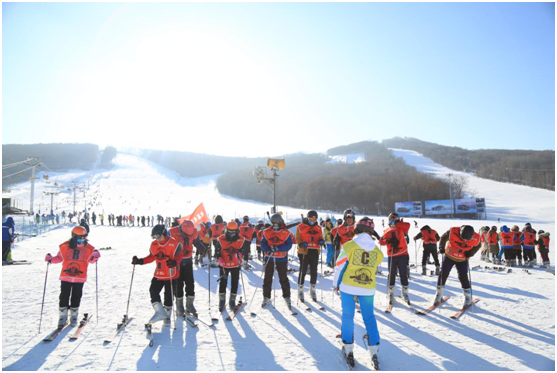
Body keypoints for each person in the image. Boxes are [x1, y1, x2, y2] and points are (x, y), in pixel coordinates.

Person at [333, 217, 383, 368]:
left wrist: (336, 284)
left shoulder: (349, 246)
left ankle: (348, 347)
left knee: (348, 316)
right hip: (368, 288)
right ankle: (374, 349)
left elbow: (340, 266)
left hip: (349, 286)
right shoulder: (377, 250)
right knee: (369, 317)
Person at [44, 226, 100, 327]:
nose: (81, 240)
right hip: (66, 277)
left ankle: (74, 316)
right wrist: (51, 259)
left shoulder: (88, 248)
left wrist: (95, 256)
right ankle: (62, 317)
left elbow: (91, 260)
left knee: (76, 297)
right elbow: (59, 258)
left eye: (84, 238)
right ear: (73, 237)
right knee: (64, 296)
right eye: (79, 238)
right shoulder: (65, 247)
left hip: (80, 277)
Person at [132, 225, 183, 324]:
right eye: (155, 237)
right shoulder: (154, 245)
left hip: (171, 275)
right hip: (159, 274)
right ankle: (160, 312)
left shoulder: (174, 243)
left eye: (159, 236)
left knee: (168, 296)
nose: (157, 239)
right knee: (153, 291)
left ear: (164, 233)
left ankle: (167, 317)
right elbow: (151, 257)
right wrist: (140, 261)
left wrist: (175, 262)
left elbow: (180, 256)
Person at [434, 225, 481, 307]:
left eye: (467, 239)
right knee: (443, 274)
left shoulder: (476, 237)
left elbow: (478, 245)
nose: (465, 240)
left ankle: (468, 296)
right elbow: (443, 237)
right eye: (463, 238)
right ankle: (439, 293)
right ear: (460, 232)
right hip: (449, 256)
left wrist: (471, 253)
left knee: (463, 277)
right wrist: (441, 247)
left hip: (462, 259)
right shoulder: (453, 231)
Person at [260, 213, 293, 308]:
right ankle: (266, 296)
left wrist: (278, 248)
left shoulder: (286, 232)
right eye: (273, 224)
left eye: (276, 224)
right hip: (269, 257)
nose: (275, 226)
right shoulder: (266, 231)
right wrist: (268, 250)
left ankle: (287, 296)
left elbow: (289, 245)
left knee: (283, 278)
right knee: (267, 278)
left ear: (280, 222)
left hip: (281, 258)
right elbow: (263, 243)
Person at [168, 219, 201, 316]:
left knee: (190, 282)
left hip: (188, 260)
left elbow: (197, 242)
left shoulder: (194, 231)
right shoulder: (172, 232)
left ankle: (189, 304)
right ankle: (179, 306)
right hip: (177, 261)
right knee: (178, 283)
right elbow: (165, 244)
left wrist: (203, 248)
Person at [379, 212, 411, 304]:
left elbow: (408, 225)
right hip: (392, 256)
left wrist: (397, 223)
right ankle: (391, 292)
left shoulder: (401, 228)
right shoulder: (387, 230)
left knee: (403, 274)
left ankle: (405, 293)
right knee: (391, 274)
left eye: (394, 219)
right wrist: (388, 240)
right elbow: (381, 242)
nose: (393, 222)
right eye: (391, 220)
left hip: (402, 254)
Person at [295, 210, 325, 302]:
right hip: (304, 251)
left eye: (314, 218)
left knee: (314, 271)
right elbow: (297, 238)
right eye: (311, 218)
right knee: (303, 271)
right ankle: (300, 290)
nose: (312, 220)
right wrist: (300, 244)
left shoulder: (319, 228)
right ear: (307, 218)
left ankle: (312, 289)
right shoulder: (300, 226)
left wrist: (321, 241)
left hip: (315, 251)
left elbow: (321, 237)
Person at [216, 221, 245, 311]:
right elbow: (217, 251)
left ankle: (232, 300)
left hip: (235, 264)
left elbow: (243, 250)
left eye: (234, 232)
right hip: (224, 264)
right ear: (226, 230)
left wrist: (240, 254)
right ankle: (222, 300)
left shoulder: (241, 239)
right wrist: (219, 259)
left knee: (235, 282)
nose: (232, 234)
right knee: (223, 282)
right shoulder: (221, 239)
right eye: (230, 232)